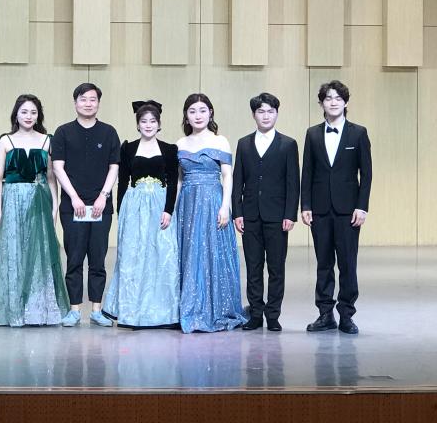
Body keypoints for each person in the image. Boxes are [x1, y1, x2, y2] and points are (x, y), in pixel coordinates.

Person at [0, 94, 70, 326]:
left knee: (39, 253)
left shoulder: (47, 140)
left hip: (39, 200)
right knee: (13, 250)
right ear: (16, 114)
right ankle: (12, 310)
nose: (28, 116)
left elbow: (52, 177)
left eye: (33, 112)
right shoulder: (5, 141)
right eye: (24, 112)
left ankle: (37, 310)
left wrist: (54, 206)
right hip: (12, 200)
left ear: (38, 115)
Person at [301, 80, 372, 335]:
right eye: (328, 98)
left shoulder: (358, 133)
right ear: (321, 103)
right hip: (320, 209)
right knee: (323, 263)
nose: (333, 102)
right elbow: (307, 172)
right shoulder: (312, 134)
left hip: (348, 210)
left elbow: (367, 174)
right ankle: (325, 314)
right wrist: (305, 205)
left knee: (347, 263)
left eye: (338, 98)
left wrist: (362, 207)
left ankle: (347, 315)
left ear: (346, 102)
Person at [101, 100, 180, 328]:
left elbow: (173, 182)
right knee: (133, 256)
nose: (148, 125)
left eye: (152, 121)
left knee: (162, 255)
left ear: (159, 124)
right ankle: (131, 312)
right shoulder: (128, 148)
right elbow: (122, 181)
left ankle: (164, 314)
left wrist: (168, 210)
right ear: (137, 124)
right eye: (144, 121)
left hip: (159, 205)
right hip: (134, 206)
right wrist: (121, 211)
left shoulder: (169, 149)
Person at [51, 83, 121, 327]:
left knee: (98, 259)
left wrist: (104, 195)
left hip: (101, 206)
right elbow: (57, 167)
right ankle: (74, 310)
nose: (88, 103)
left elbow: (114, 167)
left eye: (93, 99)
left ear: (98, 103)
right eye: (83, 99)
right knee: (74, 258)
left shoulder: (109, 132)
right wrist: (74, 197)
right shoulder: (63, 132)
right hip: (73, 206)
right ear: (75, 103)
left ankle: (97, 310)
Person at [176, 93, 247, 333]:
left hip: (213, 201)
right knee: (190, 253)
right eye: (192, 111)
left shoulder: (220, 141)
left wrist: (225, 206)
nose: (198, 115)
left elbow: (227, 176)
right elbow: (178, 180)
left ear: (210, 113)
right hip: (188, 203)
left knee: (214, 252)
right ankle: (191, 307)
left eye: (202, 110)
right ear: (186, 115)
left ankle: (218, 309)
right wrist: (173, 208)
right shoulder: (180, 144)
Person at [232, 92, 300, 332]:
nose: (266, 116)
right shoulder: (244, 143)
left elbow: (293, 182)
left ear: (277, 114)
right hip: (250, 215)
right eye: (261, 111)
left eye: (271, 111)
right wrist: (237, 212)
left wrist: (290, 214)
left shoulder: (288, 144)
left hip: (277, 216)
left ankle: (273, 315)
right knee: (253, 267)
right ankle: (255, 314)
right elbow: (237, 180)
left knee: (276, 268)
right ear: (254, 115)